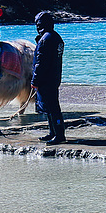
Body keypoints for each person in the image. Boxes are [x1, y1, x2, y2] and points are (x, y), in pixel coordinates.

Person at [32, 11, 66, 143]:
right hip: (54, 77)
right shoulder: (56, 37)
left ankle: (59, 135)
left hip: (46, 79)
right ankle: (54, 132)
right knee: (50, 107)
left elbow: (41, 63)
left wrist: (35, 80)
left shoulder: (45, 39)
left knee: (52, 108)